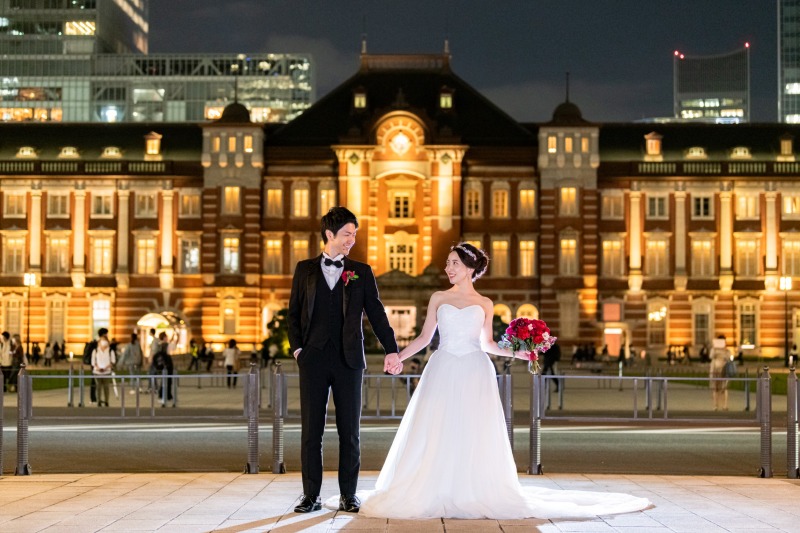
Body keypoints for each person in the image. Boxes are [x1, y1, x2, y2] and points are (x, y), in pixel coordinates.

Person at [349, 243, 650, 519]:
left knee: (474, 429)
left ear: (469, 268)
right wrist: (397, 356)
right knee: (438, 427)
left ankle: (471, 489)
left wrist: (523, 353)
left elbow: (489, 344)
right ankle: (435, 486)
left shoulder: (485, 303)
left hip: (475, 370)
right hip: (442, 368)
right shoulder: (438, 298)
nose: (448, 268)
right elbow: (426, 338)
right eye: (448, 263)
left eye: (453, 263)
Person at [288, 206, 399, 514]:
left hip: (349, 361)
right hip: (312, 360)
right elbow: (293, 315)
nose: (352, 240)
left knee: (349, 431)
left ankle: (348, 496)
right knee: (312, 431)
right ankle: (310, 496)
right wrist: (298, 350)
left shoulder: (361, 272)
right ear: (329, 235)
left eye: (354, 234)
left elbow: (376, 313)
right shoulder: (304, 269)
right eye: (347, 234)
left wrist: (392, 349)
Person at [91, 336, 115, 407]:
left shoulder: (110, 351)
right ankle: (99, 401)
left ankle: (106, 401)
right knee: (98, 387)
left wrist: (106, 368)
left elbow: (113, 361)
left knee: (106, 387)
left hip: (107, 372)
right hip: (97, 372)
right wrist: (98, 368)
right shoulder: (95, 350)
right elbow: (93, 362)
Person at [709, 335, 731, 411]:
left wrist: (725, 350)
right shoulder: (714, 349)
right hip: (715, 370)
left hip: (724, 371)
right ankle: (715, 405)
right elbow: (711, 356)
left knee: (724, 388)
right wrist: (715, 349)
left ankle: (725, 405)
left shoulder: (726, 350)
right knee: (715, 388)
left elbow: (729, 358)